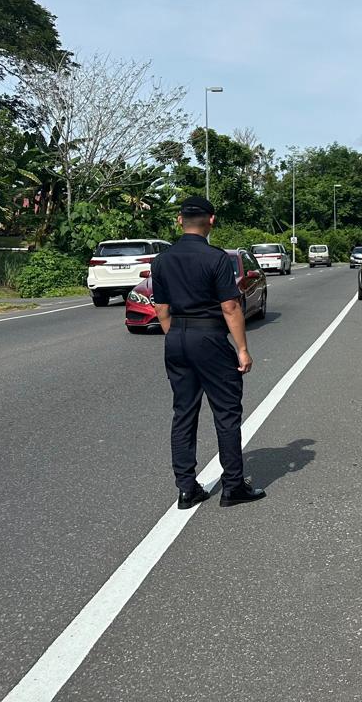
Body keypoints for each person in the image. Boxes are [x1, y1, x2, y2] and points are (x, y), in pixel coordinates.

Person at [151, 195, 265, 509]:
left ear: (179, 219)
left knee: (183, 412)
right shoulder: (216, 258)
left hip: (176, 336)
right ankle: (232, 486)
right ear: (211, 220)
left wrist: (176, 336)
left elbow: (161, 309)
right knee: (227, 412)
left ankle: (187, 488)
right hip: (210, 337)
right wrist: (242, 349)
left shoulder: (161, 260)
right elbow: (229, 307)